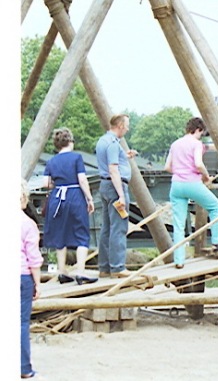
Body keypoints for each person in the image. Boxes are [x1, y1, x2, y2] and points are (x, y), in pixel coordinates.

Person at [164, 117, 218, 269]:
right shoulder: (196, 143)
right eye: (201, 133)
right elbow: (198, 164)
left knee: (178, 225)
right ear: (198, 130)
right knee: (215, 207)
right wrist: (206, 176)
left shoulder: (175, 144)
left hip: (176, 185)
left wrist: (180, 172)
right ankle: (217, 241)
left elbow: (167, 167)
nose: (201, 136)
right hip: (192, 183)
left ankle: (179, 260)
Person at [43, 127, 97, 285]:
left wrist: (58, 184)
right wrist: (90, 198)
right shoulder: (76, 158)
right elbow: (82, 180)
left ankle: (62, 271)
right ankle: (80, 272)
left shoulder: (51, 161)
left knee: (60, 233)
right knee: (82, 233)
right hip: (75, 196)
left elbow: (46, 183)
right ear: (70, 141)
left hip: (57, 198)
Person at [96, 114, 136, 278]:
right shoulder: (113, 144)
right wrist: (121, 195)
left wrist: (125, 156)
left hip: (104, 186)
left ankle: (104, 267)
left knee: (106, 228)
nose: (127, 128)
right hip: (115, 187)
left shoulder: (103, 141)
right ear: (120, 126)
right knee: (119, 228)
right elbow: (113, 169)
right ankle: (118, 267)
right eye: (126, 125)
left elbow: (108, 161)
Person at [21, 178, 43, 379]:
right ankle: (23, 367)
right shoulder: (28, 224)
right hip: (22, 275)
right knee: (21, 323)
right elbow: (33, 258)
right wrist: (37, 283)